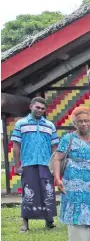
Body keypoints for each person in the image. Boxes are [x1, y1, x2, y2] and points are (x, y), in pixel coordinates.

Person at [52, 106, 90, 241]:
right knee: (76, 213)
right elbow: (58, 158)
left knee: (89, 213)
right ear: (74, 123)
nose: (83, 124)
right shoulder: (69, 138)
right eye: (80, 121)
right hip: (73, 182)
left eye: (86, 121)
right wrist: (57, 178)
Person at [12, 97, 59, 232]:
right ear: (31, 106)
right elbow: (16, 145)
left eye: (43, 109)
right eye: (37, 107)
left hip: (46, 165)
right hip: (28, 164)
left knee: (48, 191)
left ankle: (49, 221)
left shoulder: (50, 125)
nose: (40, 110)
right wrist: (17, 165)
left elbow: (54, 147)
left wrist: (54, 166)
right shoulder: (21, 124)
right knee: (28, 192)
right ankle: (25, 223)